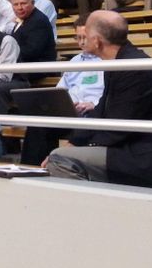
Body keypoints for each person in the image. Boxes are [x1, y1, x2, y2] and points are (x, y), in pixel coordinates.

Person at [45, 11, 152, 190]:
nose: (81, 40)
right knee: (65, 152)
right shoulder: (121, 60)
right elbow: (101, 112)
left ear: (96, 41)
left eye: (85, 35)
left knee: (60, 159)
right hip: (135, 146)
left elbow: (118, 126)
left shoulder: (132, 67)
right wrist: (75, 141)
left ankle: (98, 213)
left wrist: (78, 147)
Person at [20, 18, 104, 165]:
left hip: (93, 112)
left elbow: (111, 94)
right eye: (78, 37)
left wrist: (94, 104)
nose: (82, 42)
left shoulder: (107, 60)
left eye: (85, 37)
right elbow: (60, 90)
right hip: (69, 111)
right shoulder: (75, 61)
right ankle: (30, 169)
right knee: (38, 123)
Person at [0, 0, 56, 114]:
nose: (19, 8)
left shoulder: (38, 20)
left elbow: (32, 51)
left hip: (38, 68)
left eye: (23, 3)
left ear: (33, 3)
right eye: (16, 4)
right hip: (23, 66)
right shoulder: (24, 19)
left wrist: (7, 54)